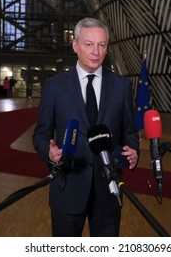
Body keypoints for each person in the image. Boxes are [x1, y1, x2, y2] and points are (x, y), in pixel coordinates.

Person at [32, 17, 139, 237]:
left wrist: (133, 151)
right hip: (67, 189)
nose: (96, 52)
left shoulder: (121, 86)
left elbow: (129, 132)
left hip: (108, 190)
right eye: (89, 44)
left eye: (101, 45)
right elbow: (41, 134)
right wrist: (49, 153)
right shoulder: (55, 87)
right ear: (75, 45)